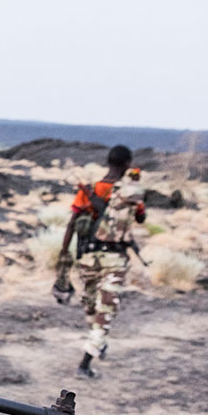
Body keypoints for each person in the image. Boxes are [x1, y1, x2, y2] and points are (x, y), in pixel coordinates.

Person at [59, 145, 146, 378]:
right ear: (127, 163)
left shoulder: (92, 189)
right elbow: (141, 216)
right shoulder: (130, 191)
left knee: (92, 307)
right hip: (115, 259)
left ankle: (91, 352)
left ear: (108, 162)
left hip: (87, 258)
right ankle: (91, 353)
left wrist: (63, 254)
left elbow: (72, 222)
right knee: (103, 310)